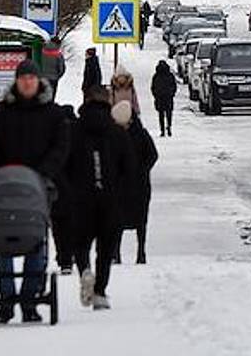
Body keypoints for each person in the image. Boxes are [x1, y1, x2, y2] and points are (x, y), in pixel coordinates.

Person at [0, 58, 69, 324]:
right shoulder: (0, 112)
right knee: (2, 241)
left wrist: (43, 174)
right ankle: (6, 302)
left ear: (38, 81)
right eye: (23, 78)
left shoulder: (52, 114)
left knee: (35, 241)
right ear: (17, 81)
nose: (27, 82)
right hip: (4, 186)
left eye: (31, 78)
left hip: (38, 186)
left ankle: (29, 300)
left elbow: (61, 147)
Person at [65, 86, 132, 311]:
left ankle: (84, 269)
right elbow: (130, 169)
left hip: (80, 198)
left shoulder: (73, 132)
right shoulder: (117, 133)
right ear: (108, 103)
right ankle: (100, 291)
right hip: (110, 199)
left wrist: (69, 190)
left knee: (80, 242)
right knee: (106, 247)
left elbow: (62, 165)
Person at [111, 100, 158, 265]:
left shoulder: (140, 135)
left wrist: (142, 170)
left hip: (138, 185)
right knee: (117, 219)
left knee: (140, 220)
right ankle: (116, 253)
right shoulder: (115, 136)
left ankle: (141, 252)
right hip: (123, 185)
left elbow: (152, 155)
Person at [51, 104, 80, 274]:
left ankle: (63, 257)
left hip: (57, 186)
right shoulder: (79, 133)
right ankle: (71, 253)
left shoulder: (56, 134)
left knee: (58, 225)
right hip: (75, 187)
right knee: (73, 223)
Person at [150, 60, 177, 137]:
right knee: (169, 114)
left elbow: (153, 87)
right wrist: (172, 93)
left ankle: (162, 130)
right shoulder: (170, 75)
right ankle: (169, 126)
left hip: (160, 97)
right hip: (168, 97)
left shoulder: (156, 76)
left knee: (161, 114)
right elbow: (174, 85)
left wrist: (155, 95)